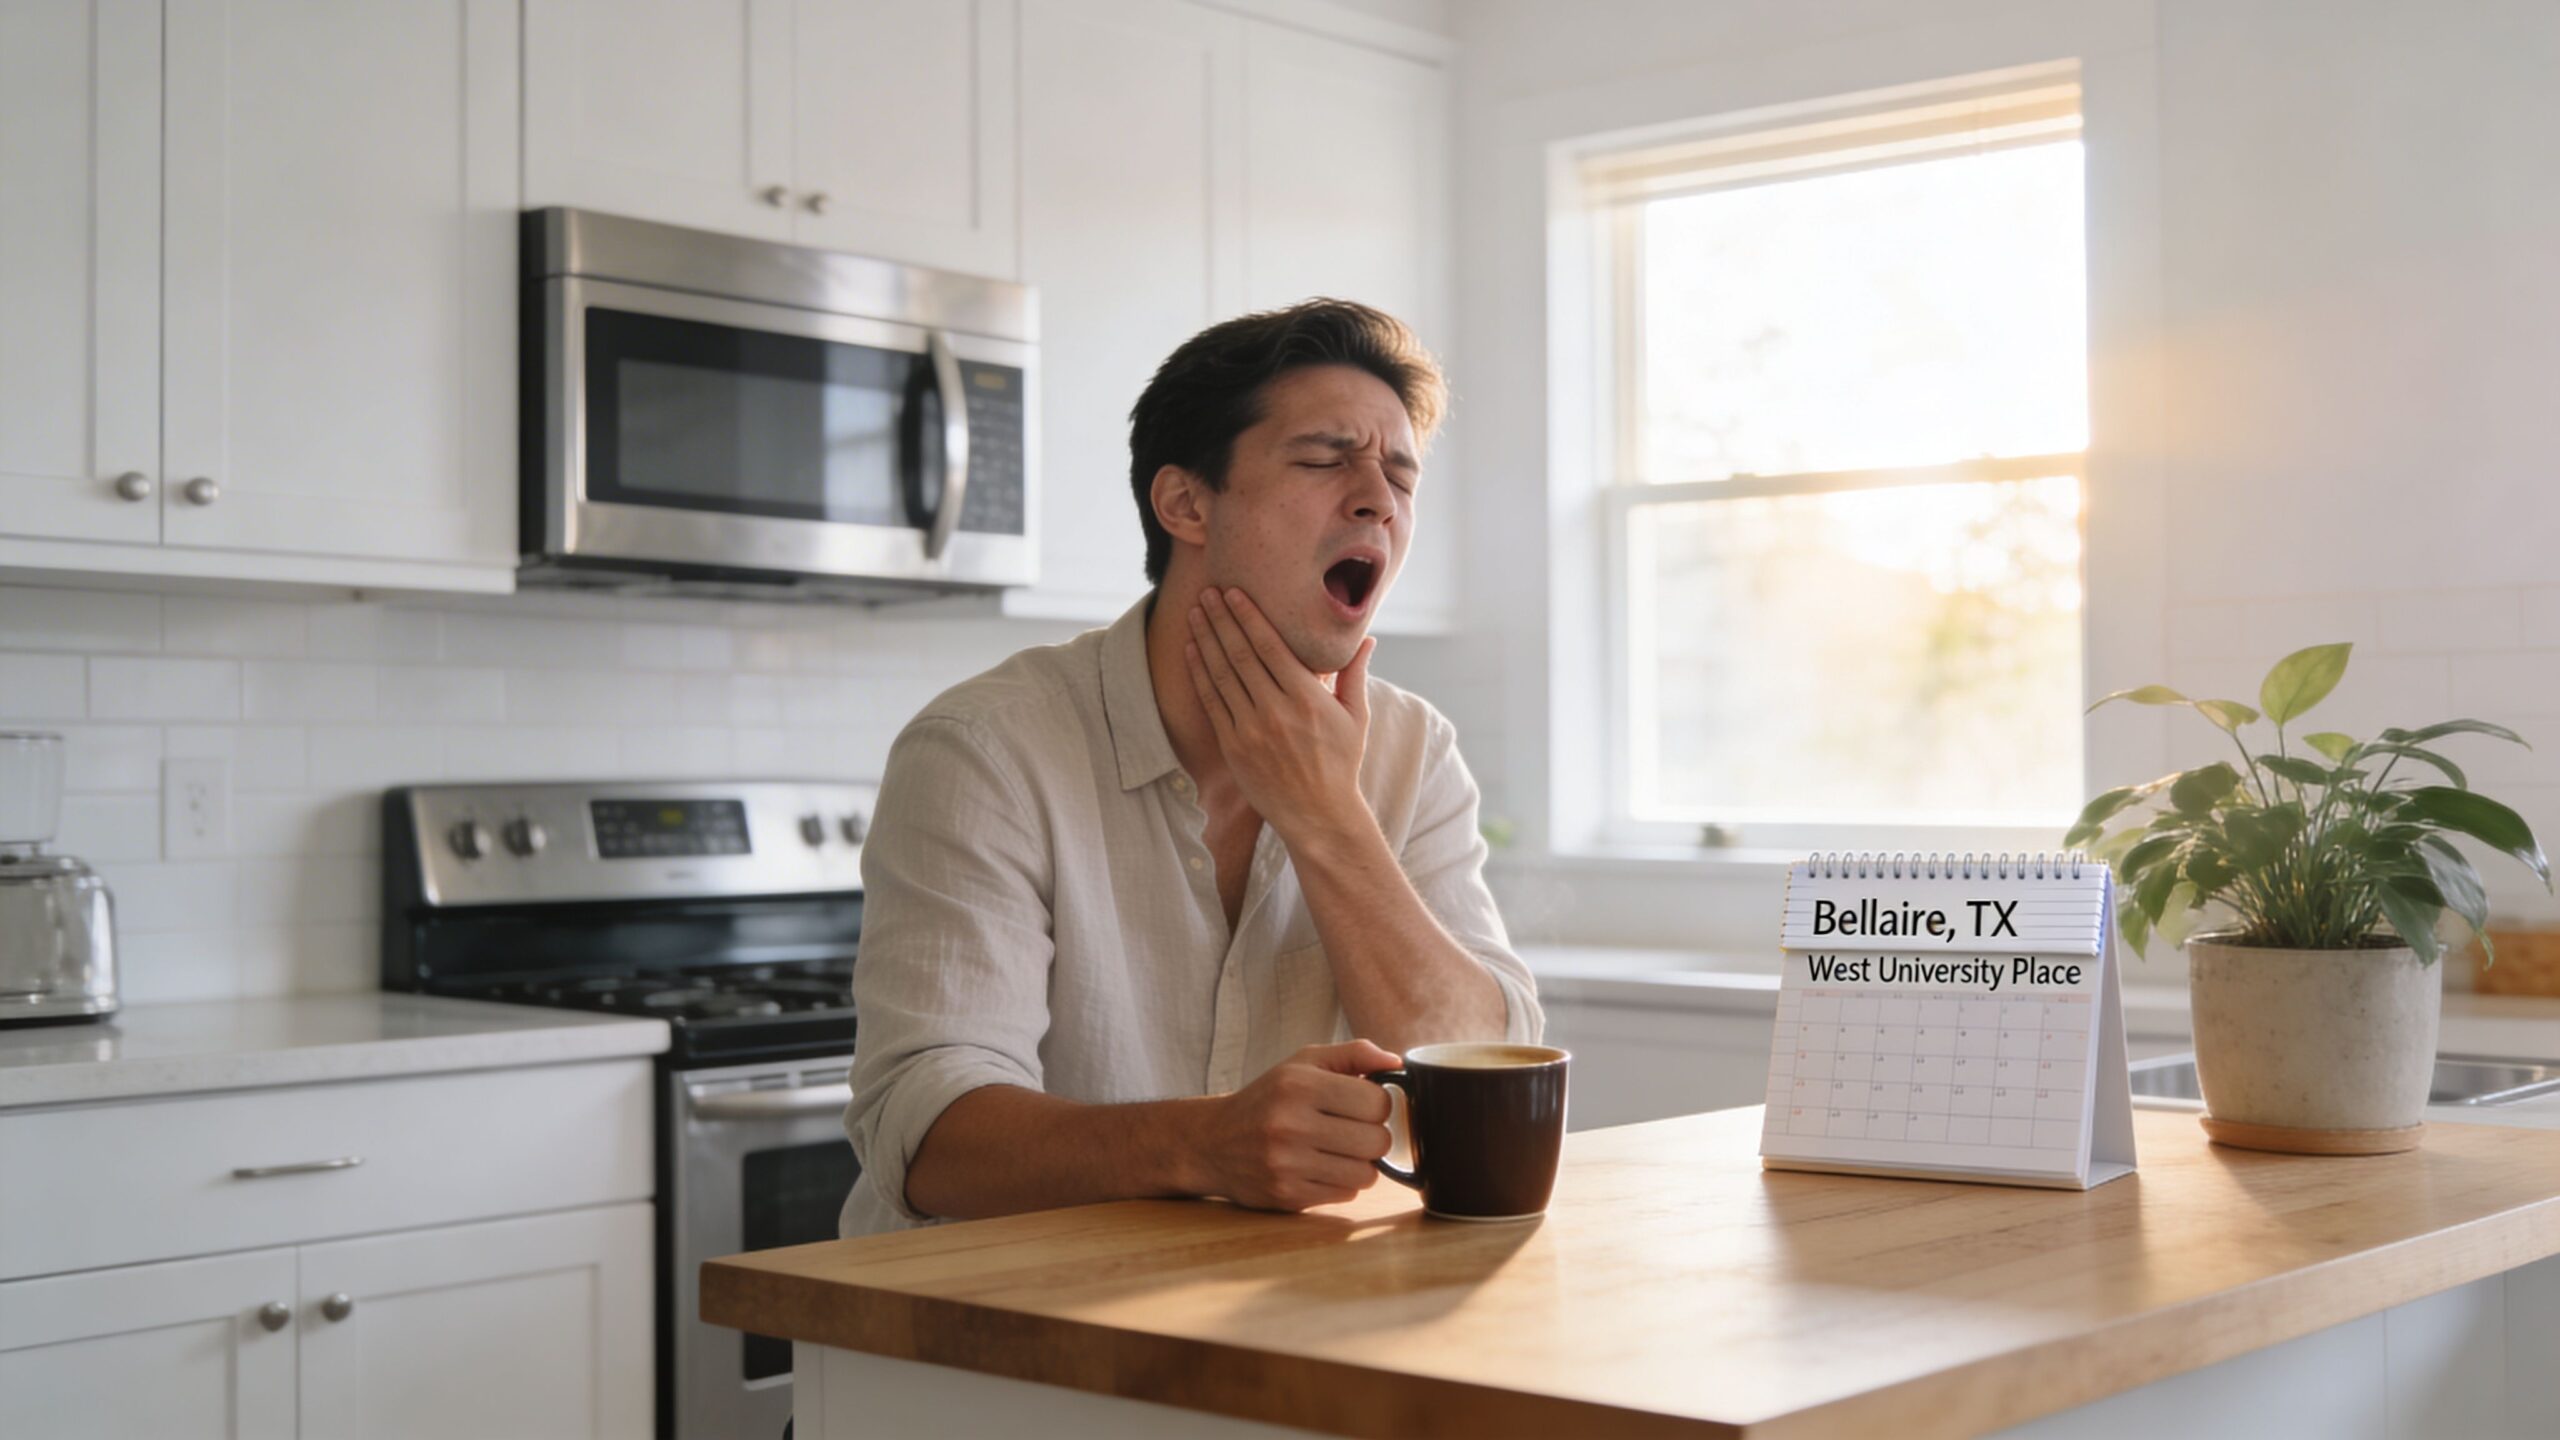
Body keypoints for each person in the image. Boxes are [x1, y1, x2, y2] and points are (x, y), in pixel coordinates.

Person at [839, 298, 1541, 1236]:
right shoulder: (987, 748)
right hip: (990, 1311)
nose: (1379, 497)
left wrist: (1327, 817)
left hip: (1274, 1303)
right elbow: (924, 1135)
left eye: (1400, 475)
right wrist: (1204, 1145)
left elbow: (1485, 1069)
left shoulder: (1414, 750)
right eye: (1324, 459)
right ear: (1185, 504)